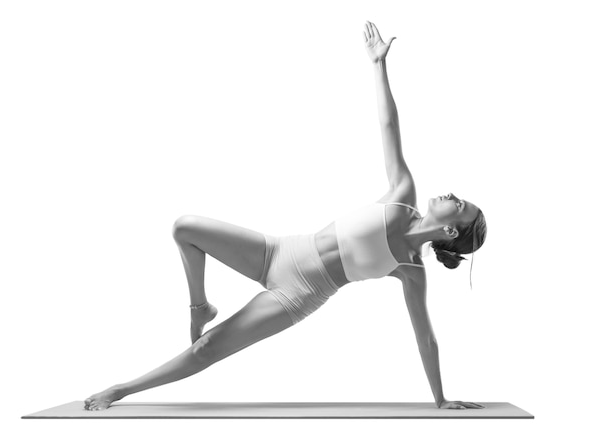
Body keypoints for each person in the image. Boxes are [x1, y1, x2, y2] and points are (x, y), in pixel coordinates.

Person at [84, 21, 487, 411]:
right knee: (184, 227)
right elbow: (388, 124)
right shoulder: (402, 196)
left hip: (296, 296)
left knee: (206, 349)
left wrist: (440, 397)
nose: (453, 195)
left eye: (460, 203)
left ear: (451, 228)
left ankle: (120, 390)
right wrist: (379, 65)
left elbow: (425, 337)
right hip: (280, 252)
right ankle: (199, 308)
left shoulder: (411, 269)